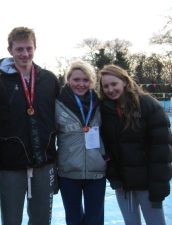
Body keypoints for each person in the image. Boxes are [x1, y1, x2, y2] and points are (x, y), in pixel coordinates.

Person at [0, 26, 59, 225]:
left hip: (44, 161)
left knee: (41, 220)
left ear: (35, 48)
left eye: (29, 48)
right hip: (12, 162)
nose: (25, 53)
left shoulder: (49, 80)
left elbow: (62, 116)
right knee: (11, 220)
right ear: (10, 50)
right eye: (19, 49)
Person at [99, 64, 172, 225]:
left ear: (125, 81)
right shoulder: (105, 110)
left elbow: (162, 151)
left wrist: (158, 186)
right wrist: (116, 179)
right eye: (106, 86)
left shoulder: (148, 106)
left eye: (114, 84)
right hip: (124, 186)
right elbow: (108, 150)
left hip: (148, 185)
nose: (110, 89)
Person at [55, 60, 107, 225]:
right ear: (68, 80)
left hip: (96, 171)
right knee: (73, 218)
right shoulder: (57, 104)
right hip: (69, 172)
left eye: (86, 80)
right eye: (76, 79)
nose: (81, 84)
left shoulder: (101, 103)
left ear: (91, 82)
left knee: (95, 219)